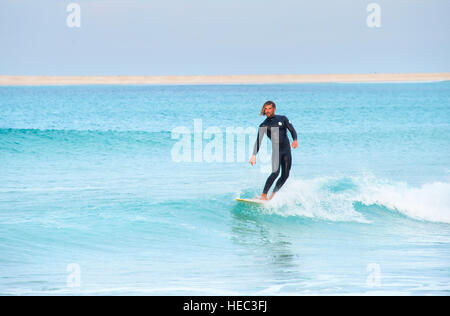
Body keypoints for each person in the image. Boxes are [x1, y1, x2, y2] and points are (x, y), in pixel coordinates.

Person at [249, 101, 298, 200]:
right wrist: (254, 155)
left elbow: (292, 130)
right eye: (265, 109)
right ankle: (263, 195)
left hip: (287, 150)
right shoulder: (264, 125)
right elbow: (259, 140)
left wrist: (295, 140)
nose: (267, 111)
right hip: (277, 151)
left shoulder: (283, 118)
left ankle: (272, 196)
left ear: (274, 109)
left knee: (285, 175)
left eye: (269, 108)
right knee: (275, 172)